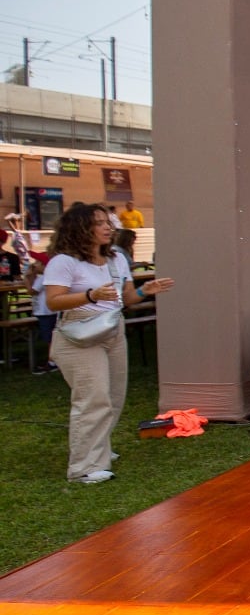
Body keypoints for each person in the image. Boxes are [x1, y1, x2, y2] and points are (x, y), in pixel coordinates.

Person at [43, 203, 175, 483]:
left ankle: (100, 448)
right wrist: (90, 296)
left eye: (108, 222)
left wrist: (144, 290)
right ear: (80, 229)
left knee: (114, 395)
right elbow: (53, 301)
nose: (108, 227)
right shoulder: (64, 261)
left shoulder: (116, 259)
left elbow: (125, 298)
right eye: (100, 223)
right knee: (93, 398)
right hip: (78, 335)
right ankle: (84, 467)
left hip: (111, 330)